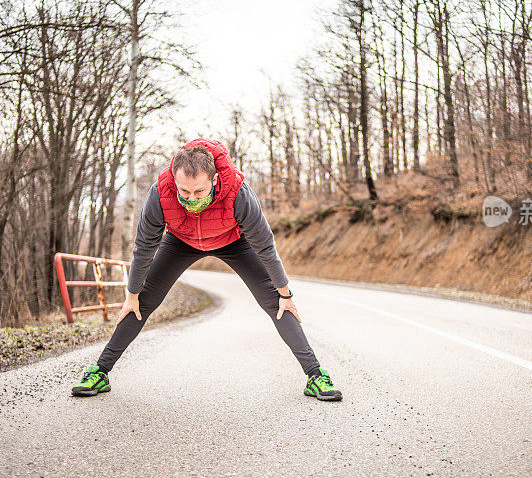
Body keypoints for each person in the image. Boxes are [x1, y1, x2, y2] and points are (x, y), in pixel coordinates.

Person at [71, 138, 342, 401]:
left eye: (199, 191)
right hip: (181, 241)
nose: (191, 199)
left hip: (233, 241)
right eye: (184, 191)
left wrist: (285, 293)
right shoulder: (161, 192)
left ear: (214, 180)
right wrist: (132, 293)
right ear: (175, 181)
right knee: (141, 302)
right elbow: (144, 247)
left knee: (275, 302)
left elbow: (265, 246)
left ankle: (315, 375)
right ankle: (101, 371)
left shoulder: (238, 191)